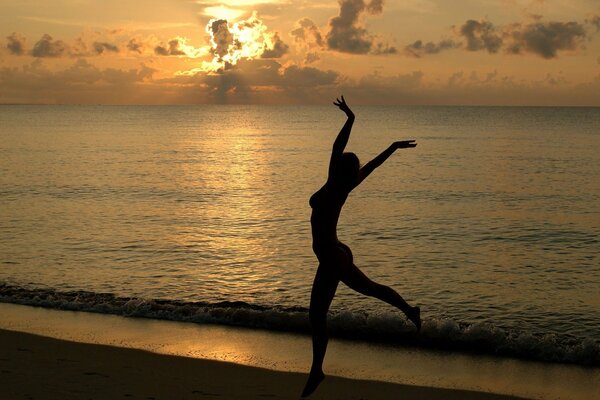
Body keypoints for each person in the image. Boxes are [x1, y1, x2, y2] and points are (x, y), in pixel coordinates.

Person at [301, 96, 421, 397]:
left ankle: (317, 372)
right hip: (334, 252)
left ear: (339, 169)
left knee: (319, 314)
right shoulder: (342, 184)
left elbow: (337, 149)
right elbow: (370, 164)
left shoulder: (335, 184)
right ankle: (410, 310)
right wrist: (391, 146)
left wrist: (351, 119)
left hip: (332, 256)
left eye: (341, 162)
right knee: (359, 293)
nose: (339, 161)